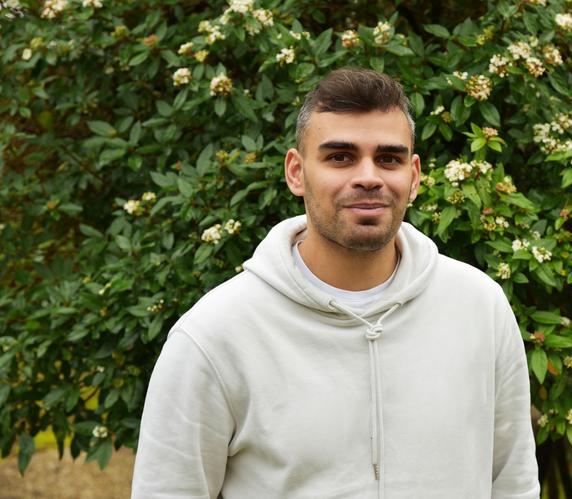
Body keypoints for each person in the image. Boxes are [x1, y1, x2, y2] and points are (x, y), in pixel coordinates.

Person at [131, 68, 540, 498]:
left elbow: (513, 484)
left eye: (389, 159)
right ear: (296, 172)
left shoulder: (479, 308)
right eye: (340, 157)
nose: (369, 177)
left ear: (414, 176)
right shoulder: (215, 334)